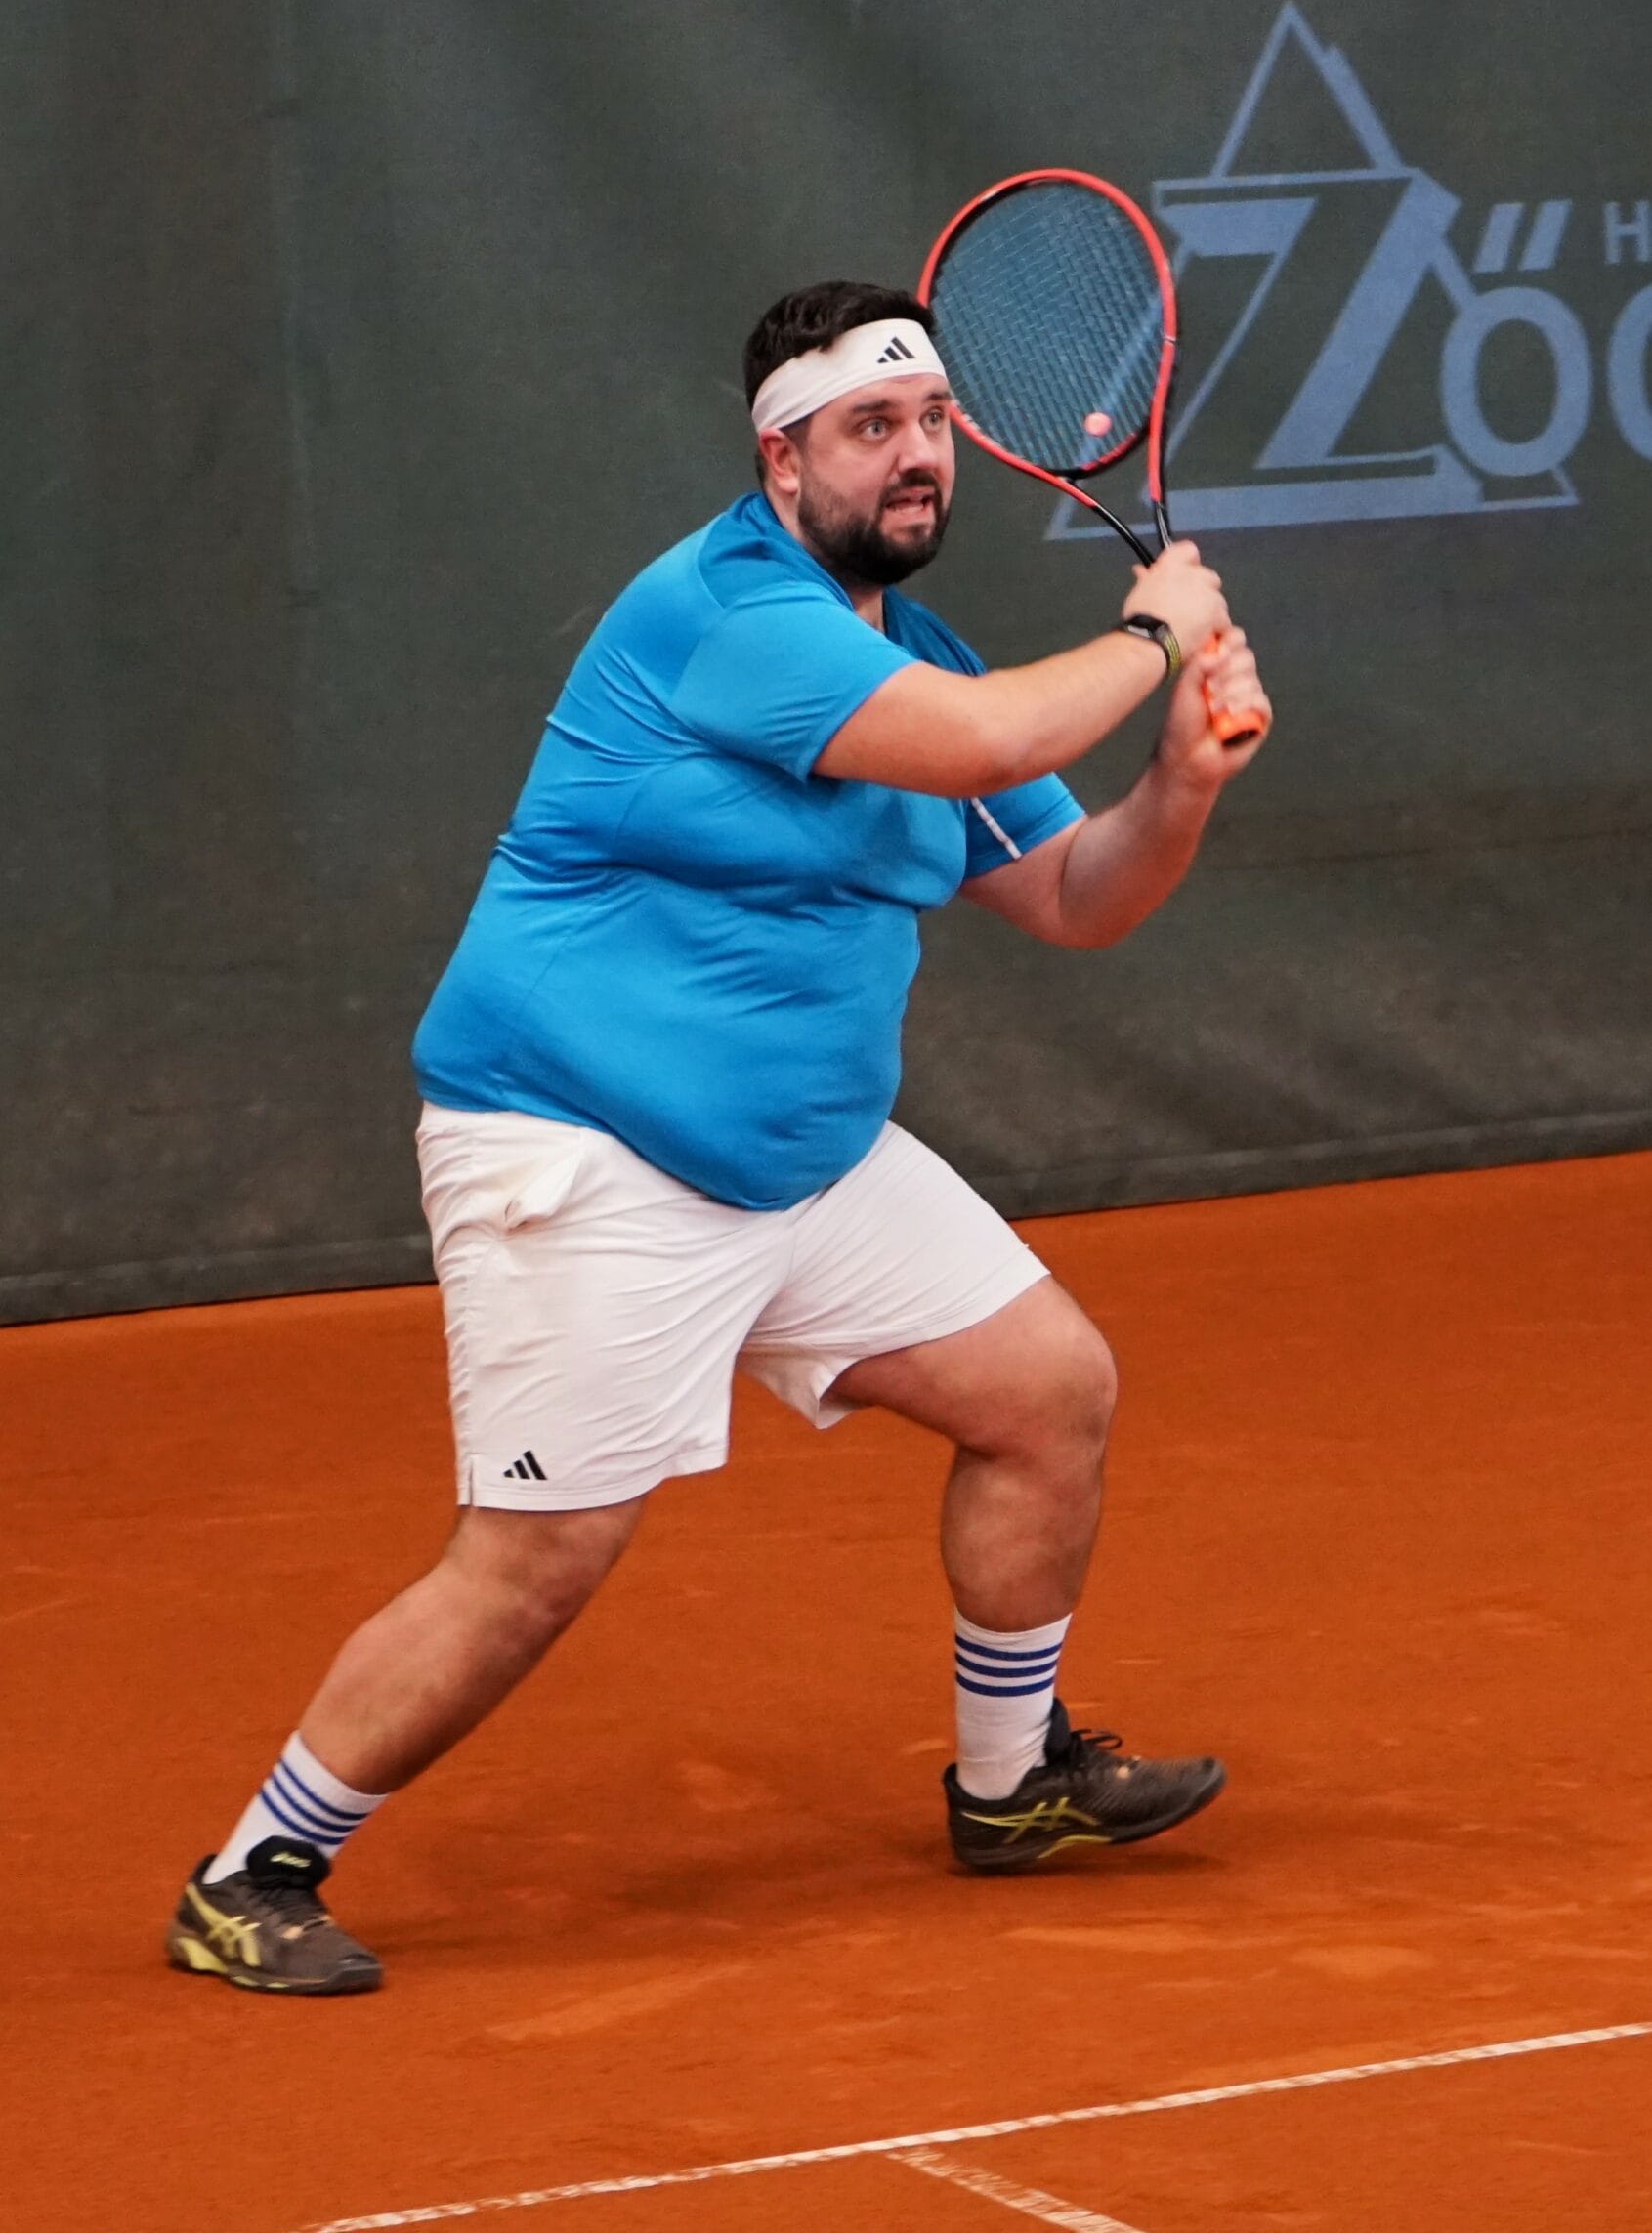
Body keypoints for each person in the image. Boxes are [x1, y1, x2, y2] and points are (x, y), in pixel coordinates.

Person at [166, 281, 1272, 1996]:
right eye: (870, 428)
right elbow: (998, 740)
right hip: (585, 1152)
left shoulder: (923, 657)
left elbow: (1073, 895)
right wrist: (1154, 635)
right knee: (536, 1563)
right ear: (781, 461)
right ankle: (254, 1869)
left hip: (806, 1163)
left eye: (932, 423)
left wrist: (1183, 780)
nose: (915, 457)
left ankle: (1011, 1787)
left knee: (1047, 1392)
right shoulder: (723, 616)